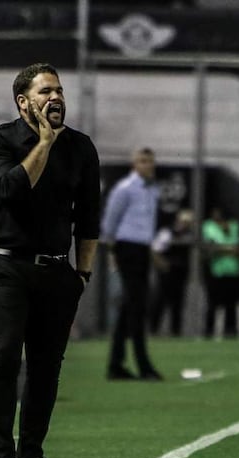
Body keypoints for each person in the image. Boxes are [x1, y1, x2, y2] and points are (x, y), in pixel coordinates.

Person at [0, 63, 100, 458]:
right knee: (5, 358)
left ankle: (31, 457)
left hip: (56, 271)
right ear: (23, 101)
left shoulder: (82, 148)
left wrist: (82, 274)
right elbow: (10, 190)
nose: (56, 97)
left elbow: (88, 217)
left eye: (60, 89)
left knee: (47, 368)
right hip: (4, 266)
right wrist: (44, 144)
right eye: (46, 90)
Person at [101, 147, 163, 381]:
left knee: (131, 307)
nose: (147, 165)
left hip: (141, 249)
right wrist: (112, 251)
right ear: (134, 164)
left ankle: (115, 365)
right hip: (127, 248)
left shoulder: (151, 190)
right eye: (142, 161)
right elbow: (110, 221)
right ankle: (144, 365)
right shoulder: (125, 189)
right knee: (136, 306)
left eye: (150, 161)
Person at [149, 209, 194, 337]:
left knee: (178, 303)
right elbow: (155, 251)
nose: (186, 224)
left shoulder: (189, 234)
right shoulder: (167, 233)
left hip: (181, 273)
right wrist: (162, 264)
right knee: (160, 301)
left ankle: (176, 331)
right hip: (167, 273)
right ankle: (153, 329)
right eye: (184, 221)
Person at [202, 207, 239, 339]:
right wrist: (228, 248)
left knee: (231, 304)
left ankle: (230, 331)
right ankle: (209, 331)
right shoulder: (208, 226)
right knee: (213, 303)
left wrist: (225, 247)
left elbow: (238, 247)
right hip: (217, 271)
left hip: (233, 271)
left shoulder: (234, 226)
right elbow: (213, 247)